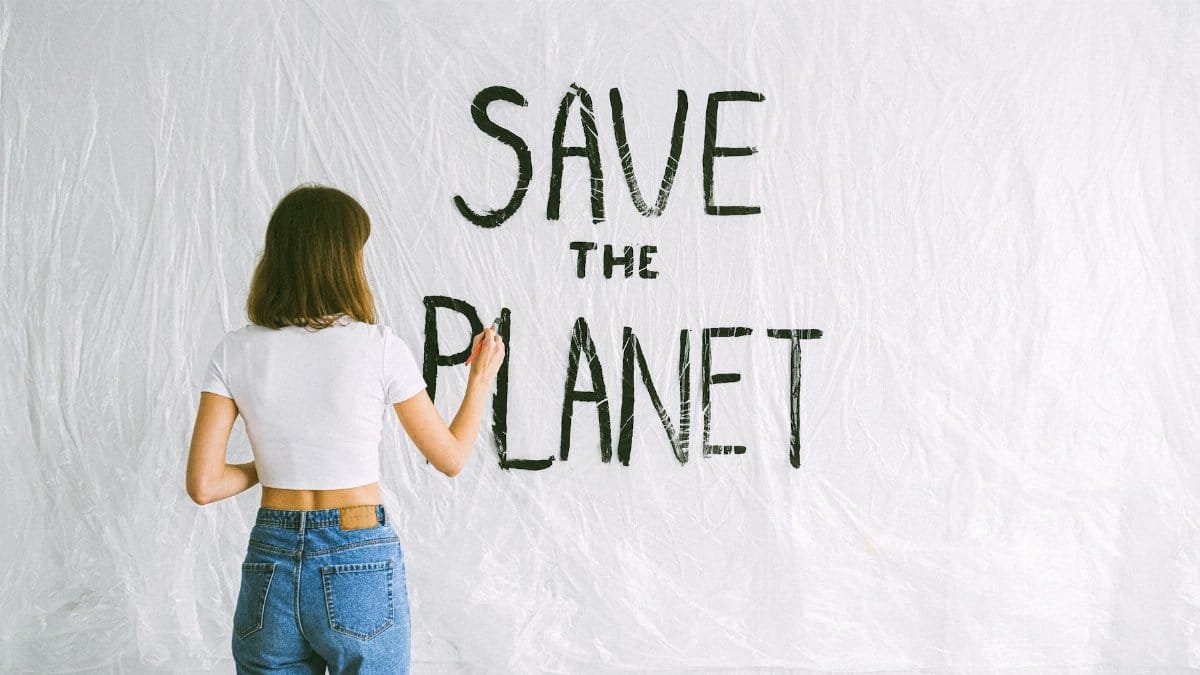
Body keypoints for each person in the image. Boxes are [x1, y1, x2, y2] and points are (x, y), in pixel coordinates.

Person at [185, 183, 505, 674]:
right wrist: (480, 380)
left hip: (271, 559)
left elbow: (204, 486)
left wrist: (271, 460)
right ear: (343, 261)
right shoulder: (378, 346)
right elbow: (451, 458)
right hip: (357, 555)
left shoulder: (235, 350)